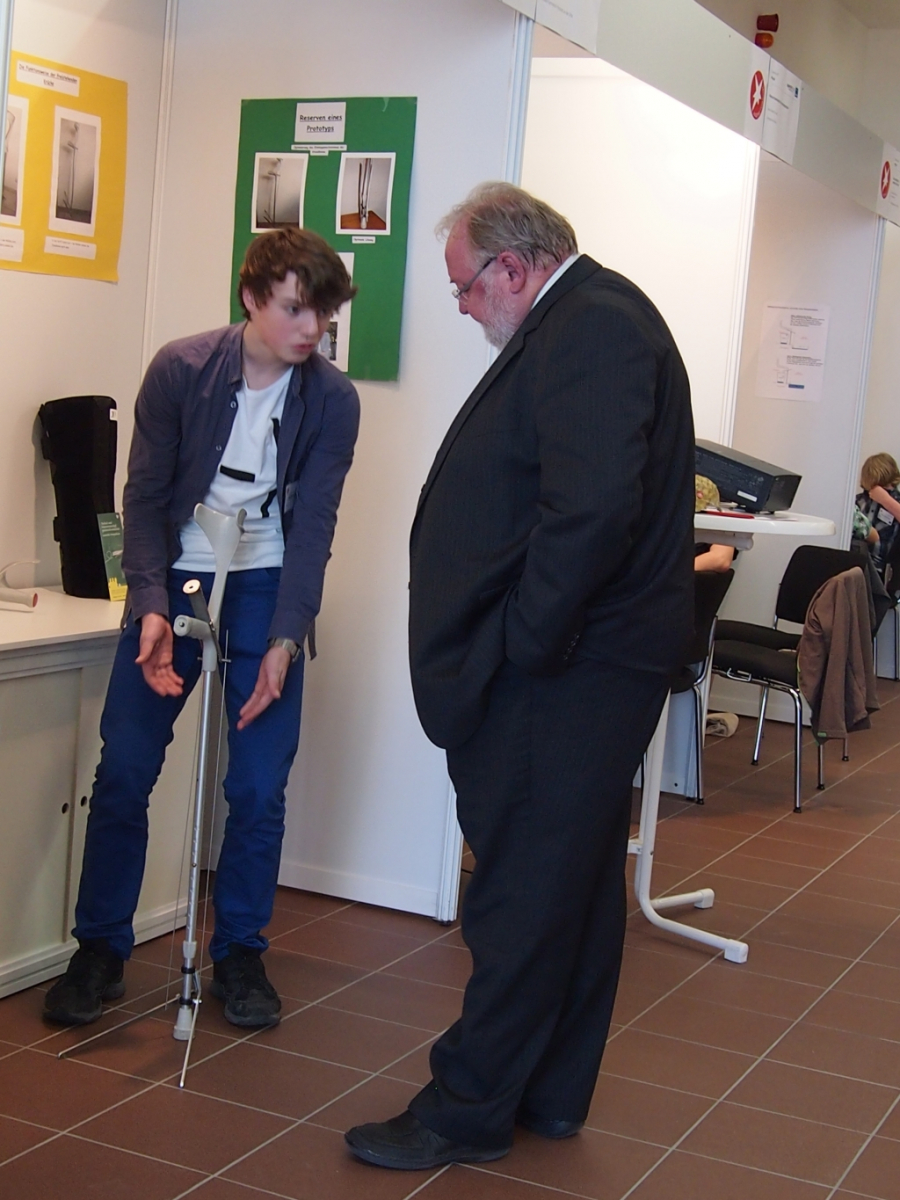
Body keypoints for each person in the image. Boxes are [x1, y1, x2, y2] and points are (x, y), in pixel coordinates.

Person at [345, 183, 694, 1169]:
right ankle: (549, 1090)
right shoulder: (591, 317)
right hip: (586, 666)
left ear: (512, 267)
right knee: (570, 885)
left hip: (569, 671)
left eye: (463, 287)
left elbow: (591, 512)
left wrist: (525, 643)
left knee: (521, 893)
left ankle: (466, 1106)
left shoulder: (592, 325)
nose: (463, 308)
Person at [44, 228, 359, 1029]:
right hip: (178, 576)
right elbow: (144, 496)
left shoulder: (333, 400)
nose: (312, 328)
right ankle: (100, 949)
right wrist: (150, 603)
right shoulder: (180, 370)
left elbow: (315, 528)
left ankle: (241, 953)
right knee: (125, 767)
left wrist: (286, 639)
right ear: (251, 298)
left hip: (268, 585)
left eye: (323, 313)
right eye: (295, 309)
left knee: (256, 785)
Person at [857, 452, 900, 581]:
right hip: (859, 563)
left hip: (884, 569)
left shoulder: (896, 501)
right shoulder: (858, 501)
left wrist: (885, 500)